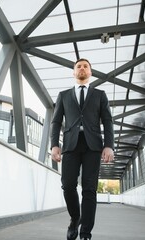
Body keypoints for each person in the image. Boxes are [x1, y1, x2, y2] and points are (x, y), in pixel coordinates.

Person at [50, 58, 114, 240]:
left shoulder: (100, 95)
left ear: (90, 72)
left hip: (93, 146)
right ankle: (75, 218)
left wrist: (109, 145)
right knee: (68, 185)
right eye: (78, 66)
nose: (82, 68)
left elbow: (108, 121)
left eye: (86, 66)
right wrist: (54, 144)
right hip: (70, 145)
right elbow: (56, 122)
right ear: (74, 72)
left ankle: (85, 232)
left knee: (89, 189)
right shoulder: (63, 95)